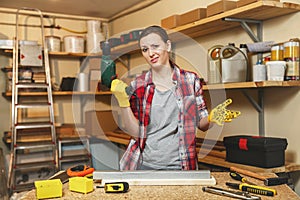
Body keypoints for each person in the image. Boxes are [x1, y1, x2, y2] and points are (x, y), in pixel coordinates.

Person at [111, 25, 239, 170]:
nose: (151, 53)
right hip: (143, 165)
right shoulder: (138, 85)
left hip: (181, 166)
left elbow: (201, 125)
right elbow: (136, 133)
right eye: (145, 49)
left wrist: (211, 119)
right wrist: (123, 102)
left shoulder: (191, 81)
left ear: (168, 45)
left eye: (155, 46)